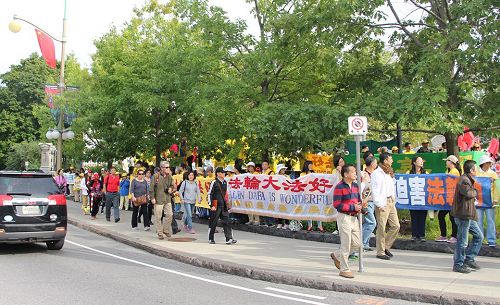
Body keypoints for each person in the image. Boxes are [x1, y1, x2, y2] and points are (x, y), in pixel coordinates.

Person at [451, 160, 484, 273]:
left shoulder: (468, 180)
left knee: (479, 236)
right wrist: (476, 190)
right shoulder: (464, 180)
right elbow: (469, 193)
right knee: (462, 241)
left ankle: (469, 258)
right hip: (463, 215)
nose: (477, 171)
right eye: (476, 168)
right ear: (471, 170)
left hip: (468, 215)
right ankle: (458, 264)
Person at [330, 164, 362, 279]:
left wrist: (361, 207)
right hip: (344, 217)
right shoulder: (339, 187)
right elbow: (337, 205)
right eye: (353, 172)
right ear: (346, 174)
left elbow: (358, 200)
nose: (355, 174)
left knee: (357, 243)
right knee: (346, 243)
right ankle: (344, 269)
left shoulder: (355, 186)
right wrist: (353, 208)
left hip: (354, 218)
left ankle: (336, 255)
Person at [372, 152, 400, 260]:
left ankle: (386, 246)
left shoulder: (389, 172)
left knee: (396, 226)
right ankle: (380, 252)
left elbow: (391, 187)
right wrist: (379, 204)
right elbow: (375, 190)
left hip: (391, 201)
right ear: (385, 161)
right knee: (381, 228)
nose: (392, 160)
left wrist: (394, 199)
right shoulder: (376, 173)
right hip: (382, 203)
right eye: (390, 158)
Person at [208, 167, 237, 244]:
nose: (224, 173)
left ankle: (229, 238)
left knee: (227, 221)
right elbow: (209, 194)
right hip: (215, 204)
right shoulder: (214, 182)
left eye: (224, 172)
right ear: (218, 173)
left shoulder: (225, 182)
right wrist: (211, 205)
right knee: (214, 222)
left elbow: (225, 194)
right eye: (223, 172)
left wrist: (227, 202)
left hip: (223, 205)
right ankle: (211, 238)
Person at [435, 155, 460, 243]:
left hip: (452, 198)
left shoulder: (454, 171)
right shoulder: (449, 171)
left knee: (451, 217)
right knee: (442, 215)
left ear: (451, 162)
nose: (446, 162)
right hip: (448, 198)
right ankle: (444, 235)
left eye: (447, 161)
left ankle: (454, 236)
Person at [150, 161, 176, 240]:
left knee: (170, 215)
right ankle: (160, 233)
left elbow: (172, 185)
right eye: (167, 167)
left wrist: (171, 188)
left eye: (169, 167)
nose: (168, 169)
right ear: (162, 168)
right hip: (158, 199)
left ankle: (166, 230)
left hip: (167, 199)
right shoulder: (155, 176)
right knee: (158, 217)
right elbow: (151, 188)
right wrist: (152, 198)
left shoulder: (169, 176)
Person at [476, 155, 498, 248]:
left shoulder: (493, 174)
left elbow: (496, 188)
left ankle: (491, 240)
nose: (489, 164)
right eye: (487, 162)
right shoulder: (477, 174)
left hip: (490, 201)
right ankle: (479, 239)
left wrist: (495, 199)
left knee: (490, 221)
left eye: (489, 162)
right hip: (479, 200)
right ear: (483, 163)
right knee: (478, 221)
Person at [408, 156, 428, 242]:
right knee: (414, 217)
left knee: (422, 217)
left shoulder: (425, 173)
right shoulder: (409, 173)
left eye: (422, 160)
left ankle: (422, 235)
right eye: (419, 161)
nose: (421, 162)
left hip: (423, 199)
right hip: (413, 199)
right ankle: (414, 235)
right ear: (414, 163)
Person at [301, 160, 324, 232]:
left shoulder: (314, 173)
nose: (311, 166)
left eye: (312, 165)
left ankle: (320, 226)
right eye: (310, 165)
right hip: (307, 194)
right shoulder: (302, 174)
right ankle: (309, 226)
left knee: (317, 209)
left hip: (315, 193)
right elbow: (302, 182)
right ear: (306, 165)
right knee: (308, 209)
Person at [361, 156, 377, 250]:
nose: (376, 164)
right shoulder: (363, 174)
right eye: (375, 162)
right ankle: (362, 243)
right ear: (371, 164)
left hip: (373, 201)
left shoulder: (375, 174)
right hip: (365, 202)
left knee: (367, 223)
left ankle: (365, 243)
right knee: (372, 223)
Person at [245, 162, 260, 226]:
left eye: (251, 167)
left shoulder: (257, 174)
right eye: (249, 167)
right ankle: (250, 220)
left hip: (255, 192)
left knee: (255, 206)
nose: (250, 168)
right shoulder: (246, 174)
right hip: (248, 192)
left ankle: (257, 220)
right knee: (249, 206)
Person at [275, 164, 290, 229]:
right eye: (282, 169)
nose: (283, 170)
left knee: (286, 209)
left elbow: (290, 184)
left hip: (286, 194)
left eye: (284, 169)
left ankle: (287, 223)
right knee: (279, 209)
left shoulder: (287, 176)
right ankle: (280, 223)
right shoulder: (275, 177)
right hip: (278, 194)